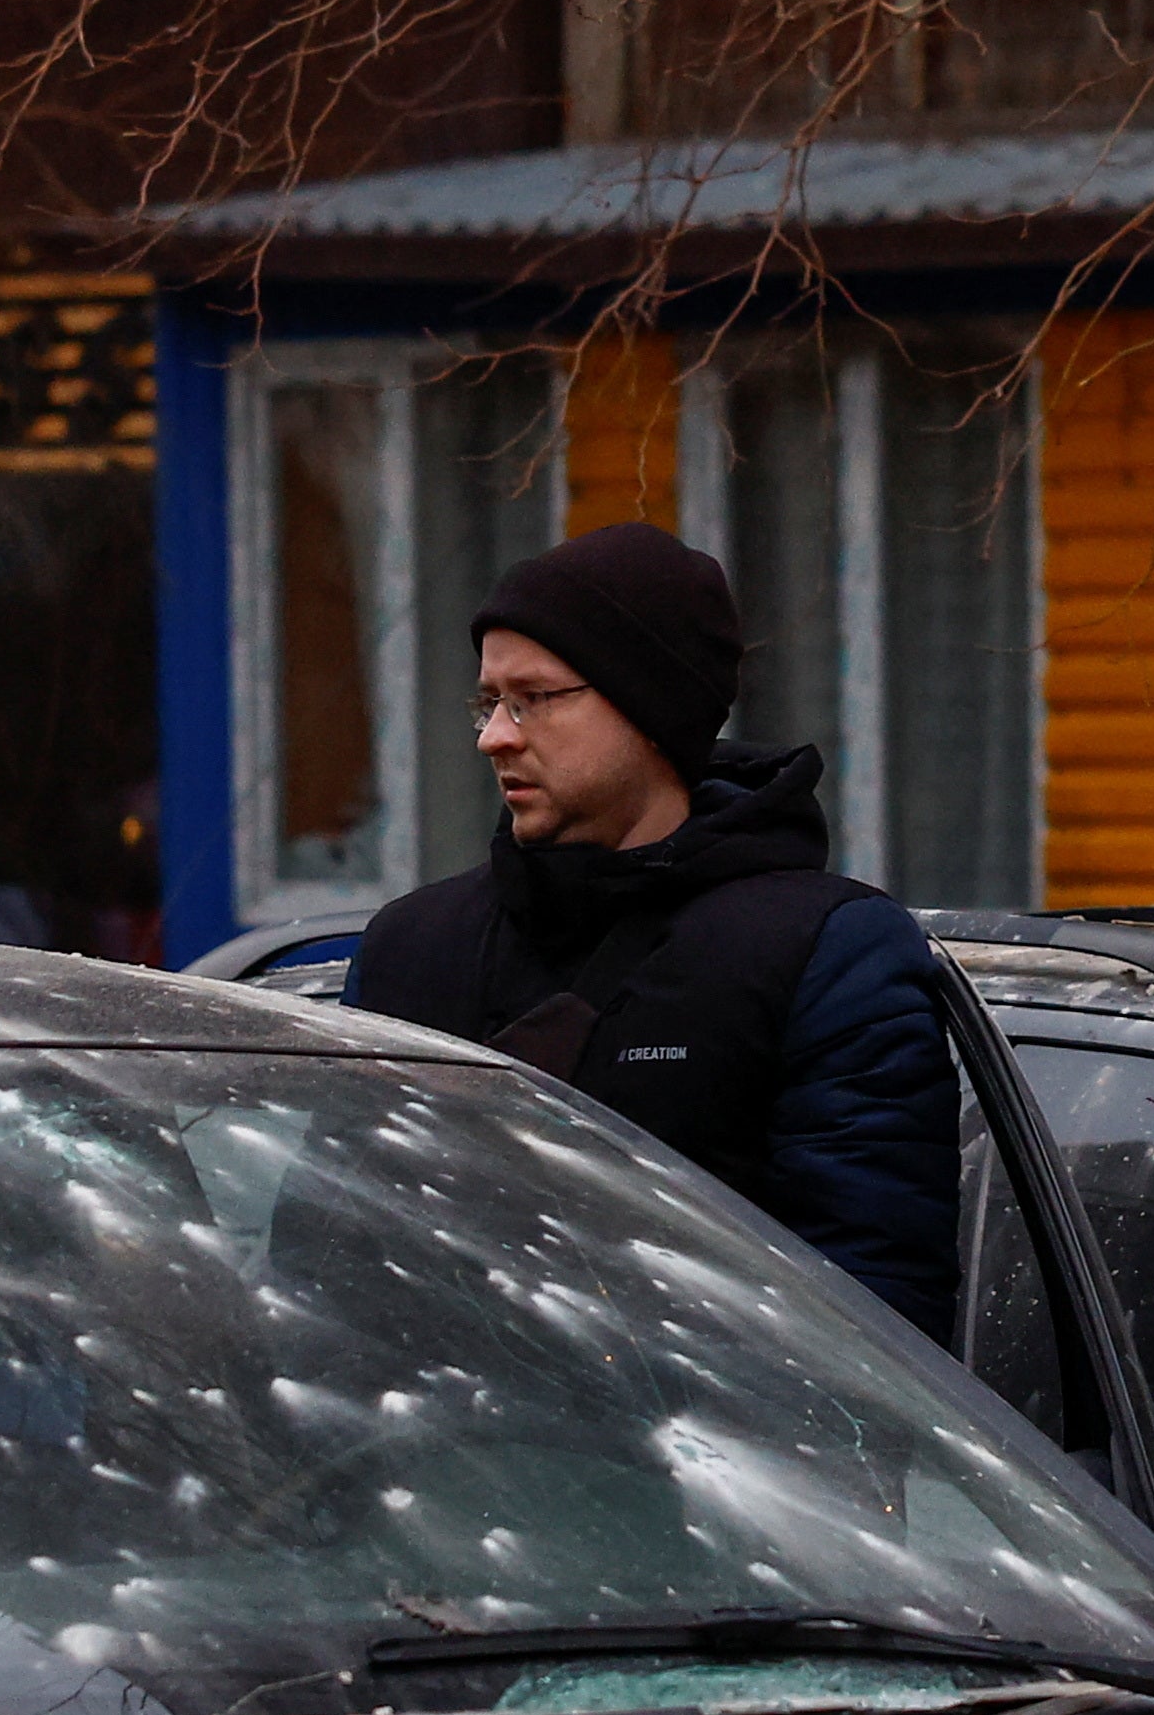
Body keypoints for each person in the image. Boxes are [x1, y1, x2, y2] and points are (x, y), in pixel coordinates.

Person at [344, 521, 961, 1340]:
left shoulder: (821, 950)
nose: (495, 735)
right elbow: (331, 1264)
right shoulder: (408, 946)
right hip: (420, 1456)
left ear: (647, 706)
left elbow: (878, 1329)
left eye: (533, 698)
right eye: (488, 701)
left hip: (730, 1461)